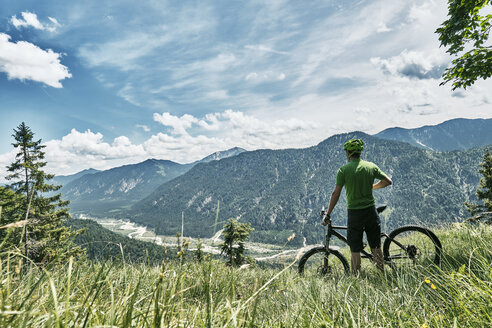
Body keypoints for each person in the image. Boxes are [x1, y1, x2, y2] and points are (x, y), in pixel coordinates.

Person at [322, 138, 392, 274]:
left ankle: (356, 279)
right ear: (360, 152)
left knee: (355, 248)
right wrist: (372, 187)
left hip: (355, 214)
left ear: (348, 152)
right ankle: (382, 276)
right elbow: (387, 181)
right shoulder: (370, 166)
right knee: (376, 246)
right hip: (371, 211)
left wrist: (328, 214)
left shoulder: (343, 170)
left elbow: (335, 193)